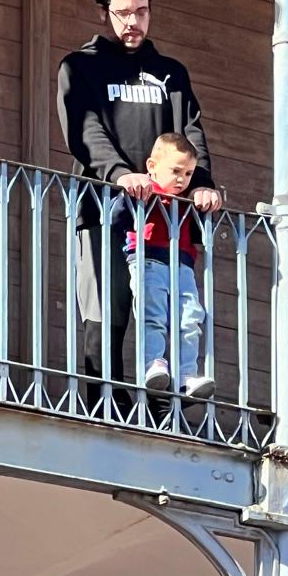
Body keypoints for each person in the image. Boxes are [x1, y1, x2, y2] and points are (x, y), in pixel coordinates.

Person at [57, 0, 224, 395]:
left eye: (142, 12)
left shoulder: (171, 72)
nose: (133, 22)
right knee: (107, 311)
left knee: (174, 308)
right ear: (103, 13)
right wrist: (119, 173)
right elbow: (84, 129)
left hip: (165, 219)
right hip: (102, 211)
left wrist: (202, 180)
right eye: (123, 12)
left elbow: (192, 133)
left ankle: (164, 399)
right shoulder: (80, 66)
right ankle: (102, 400)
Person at [106, 133, 214, 400]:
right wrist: (133, 194)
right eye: (176, 171)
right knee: (152, 314)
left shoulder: (187, 199)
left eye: (188, 173)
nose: (182, 179)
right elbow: (115, 217)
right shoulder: (144, 191)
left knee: (190, 319)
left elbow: (202, 225)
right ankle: (151, 364)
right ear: (152, 166)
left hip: (183, 264)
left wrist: (208, 198)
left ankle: (186, 375)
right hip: (148, 259)